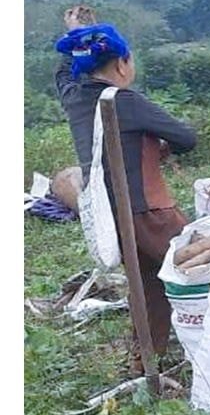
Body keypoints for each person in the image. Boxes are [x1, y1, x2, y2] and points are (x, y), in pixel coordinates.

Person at [55, 23, 198, 363]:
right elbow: (186, 138)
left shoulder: (75, 99)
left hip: (113, 214)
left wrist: (76, 34)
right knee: (201, 271)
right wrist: (160, 145)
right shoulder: (126, 101)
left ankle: (144, 358)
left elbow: (63, 74)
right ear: (122, 63)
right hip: (150, 212)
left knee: (147, 285)